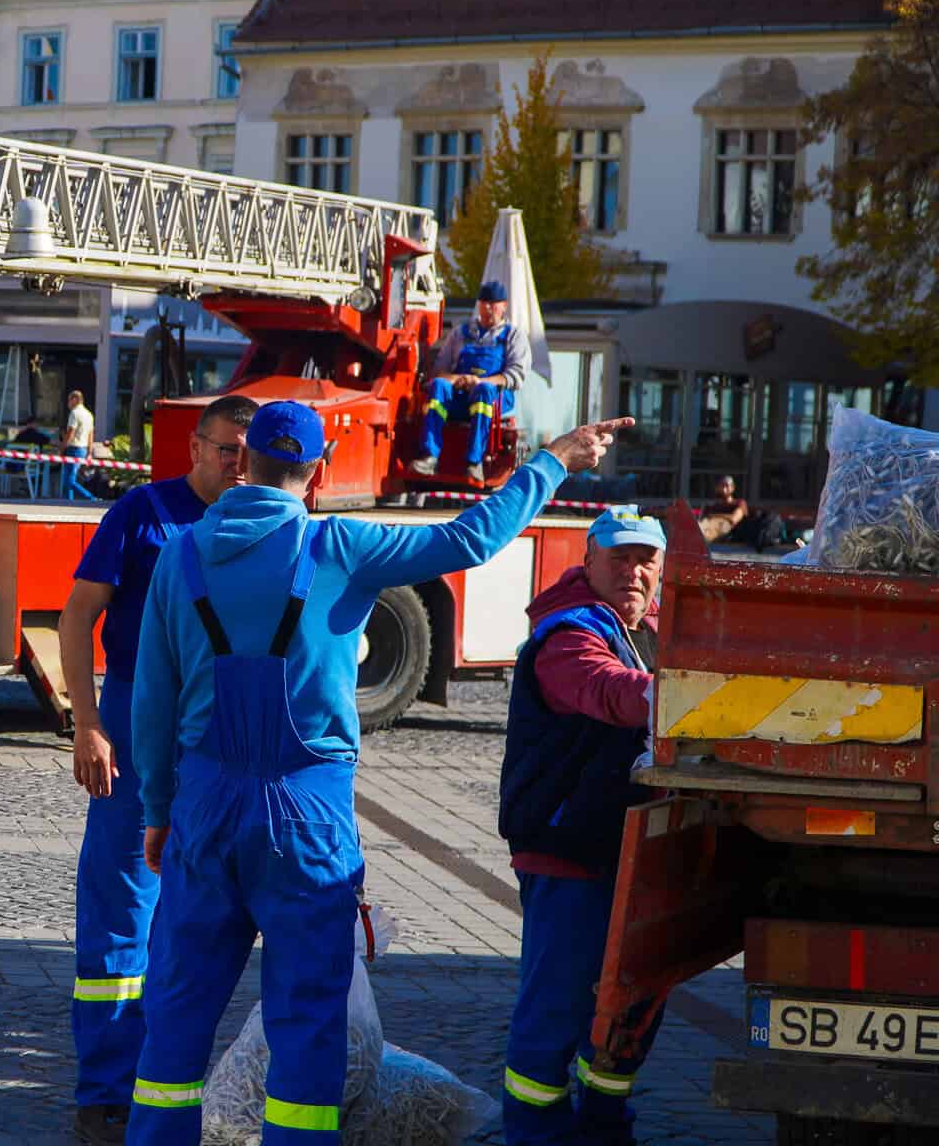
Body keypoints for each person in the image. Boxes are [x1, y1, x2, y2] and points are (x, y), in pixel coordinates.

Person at [125, 402, 630, 1146]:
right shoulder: (337, 546)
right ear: (319, 472)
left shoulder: (182, 554)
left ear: (243, 463)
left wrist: (159, 810)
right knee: (307, 1016)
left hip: (204, 806)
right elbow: (470, 538)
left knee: (176, 1009)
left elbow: (151, 699)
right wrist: (553, 459)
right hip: (305, 816)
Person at [58, 394, 257, 1145]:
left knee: (199, 917)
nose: (238, 464)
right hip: (138, 734)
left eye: (250, 450)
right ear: (196, 449)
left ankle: (166, 1086)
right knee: (119, 912)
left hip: (219, 744)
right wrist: (88, 724)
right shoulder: (144, 513)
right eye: (226, 449)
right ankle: (105, 1095)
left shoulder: (265, 526)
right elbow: (77, 615)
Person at [499, 505, 667, 1146]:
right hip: (568, 849)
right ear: (589, 562)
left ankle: (602, 1126)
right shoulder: (567, 632)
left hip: (626, 850)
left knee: (627, 1008)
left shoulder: (649, 630)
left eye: (645, 560)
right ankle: (534, 1132)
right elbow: (604, 688)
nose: (633, 571)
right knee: (558, 1008)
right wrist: (672, 695)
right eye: (619, 557)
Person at [410, 280, 531, 483]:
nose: (488, 307)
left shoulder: (514, 336)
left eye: (493, 303)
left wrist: (481, 381)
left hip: (494, 399)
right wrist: (458, 379)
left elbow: (515, 376)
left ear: (504, 306)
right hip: (458, 396)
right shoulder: (460, 333)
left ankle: (474, 462)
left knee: (483, 390)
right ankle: (429, 456)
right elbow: (438, 371)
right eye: (484, 302)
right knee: (438, 387)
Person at [62, 390, 96, 501]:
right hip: (83, 449)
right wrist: (89, 452)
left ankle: (91, 498)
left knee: (69, 480)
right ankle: (68, 502)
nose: (68, 403)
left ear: (75, 399)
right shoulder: (89, 415)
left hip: (74, 448)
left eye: (69, 400)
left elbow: (71, 431)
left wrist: (63, 446)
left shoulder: (74, 413)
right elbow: (91, 434)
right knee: (68, 479)